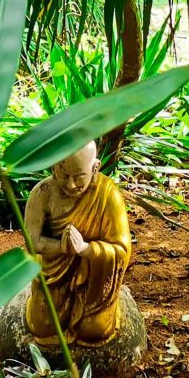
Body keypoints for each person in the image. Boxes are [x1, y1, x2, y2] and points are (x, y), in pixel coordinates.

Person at [22, 141, 132, 346]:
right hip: (54, 272)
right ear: (53, 166)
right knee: (43, 326)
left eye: (79, 177)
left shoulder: (108, 195)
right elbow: (32, 241)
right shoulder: (43, 193)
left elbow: (121, 249)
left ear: (95, 168)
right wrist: (61, 247)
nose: (71, 184)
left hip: (93, 278)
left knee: (95, 330)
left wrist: (85, 249)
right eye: (64, 175)